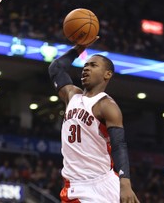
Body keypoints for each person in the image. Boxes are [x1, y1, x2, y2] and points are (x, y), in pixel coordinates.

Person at [48, 38, 140, 203]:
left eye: (93, 65)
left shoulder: (107, 105)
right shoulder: (71, 95)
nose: (86, 69)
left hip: (101, 183)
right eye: (85, 65)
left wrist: (125, 183)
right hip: (77, 184)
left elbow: (119, 145)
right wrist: (78, 49)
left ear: (107, 74)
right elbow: (56, 68)